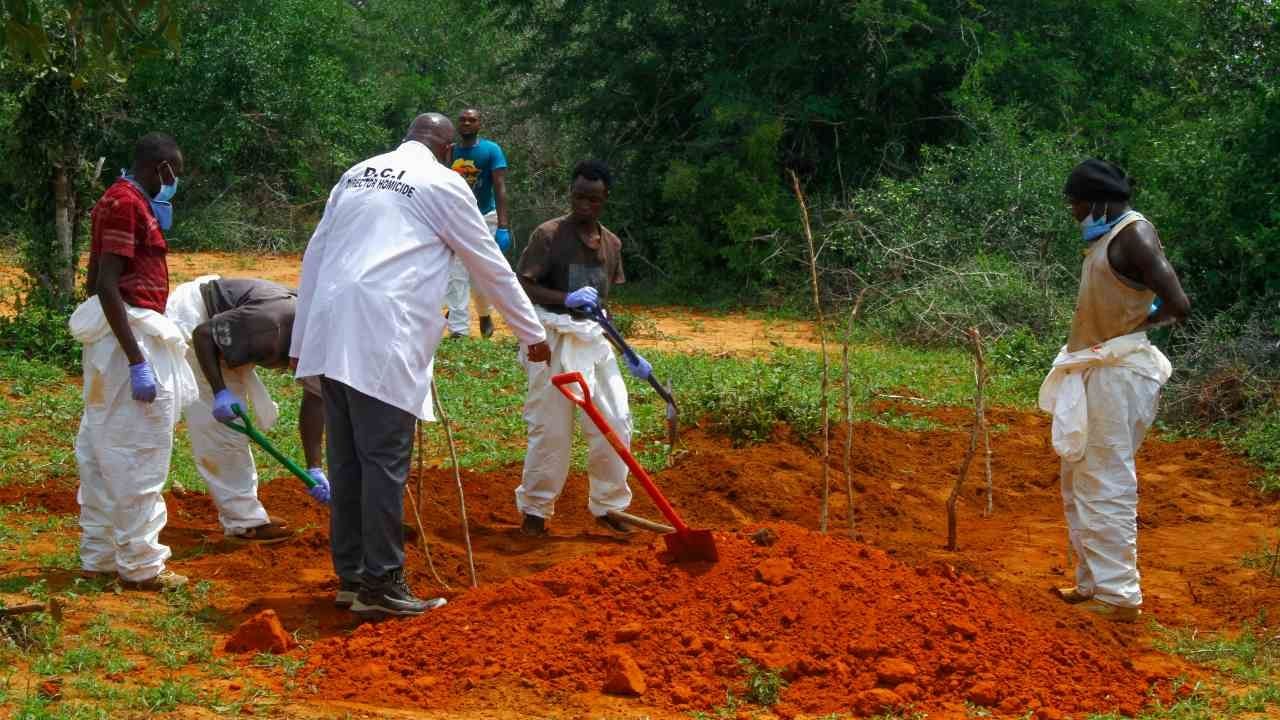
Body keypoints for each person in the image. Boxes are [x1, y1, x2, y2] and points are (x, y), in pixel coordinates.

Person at [292, 113, 551, 618]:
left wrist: (302, 342)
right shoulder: (442, 182)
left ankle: (351, 578)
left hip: (330, 326)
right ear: (446, 146)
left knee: (348, 464)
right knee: (385, 464)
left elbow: (315, 256)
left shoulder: (356, 173)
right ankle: (383, 584)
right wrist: (532, 333)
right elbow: (487, 262)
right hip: (381, 333)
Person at [1039, 159, 1190, 622]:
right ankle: (1093, 583)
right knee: (1080, 479)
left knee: (1105, 482)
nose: (1074, 212)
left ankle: (1119, 597)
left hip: (1118, 372)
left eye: (1078, 204)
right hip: (1101, 370)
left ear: (1099, 201)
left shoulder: (1134, 236)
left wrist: (1129, 331)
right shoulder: (1107, 239)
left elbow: (1179, 304)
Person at [71, 132, 196, 591]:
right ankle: (142, 566)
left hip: (117, 335)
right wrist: (136, 359)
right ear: (161, 167)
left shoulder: (116, 200)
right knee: (139, 450)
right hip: (130, 336)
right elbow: (106, 284)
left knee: (102, 447)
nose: (174, 182)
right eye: (174, 173)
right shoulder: (126, 203)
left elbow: (94, 278)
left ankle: (100, 556)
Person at [513, 160, 652, 537]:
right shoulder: (549, 235)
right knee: (551, 427)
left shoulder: (611, 243)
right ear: (570, 194)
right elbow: (523, 286)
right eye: (578, 196)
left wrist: (627, 351)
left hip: (593, 339)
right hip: (553, 336)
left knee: (616, 419)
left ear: (605, 199)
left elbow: (603, 307)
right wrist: (565, 298)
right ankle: (536, 511)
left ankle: (610, 506)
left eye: (593, 198)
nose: (584, 204)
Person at [165, 275, 331, 543]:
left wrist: (314, 468)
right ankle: (244, 523)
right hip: (197, 321)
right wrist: (220, 391)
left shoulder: (319, 340)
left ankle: (243, 514)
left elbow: (315, 399)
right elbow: (204, 335)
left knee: (231, 429)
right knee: (222, 433)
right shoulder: (271, 326)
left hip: (235, 327)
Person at [444, 107, 511, 339]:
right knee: (456, 274)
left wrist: (503, 226)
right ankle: (458, 330)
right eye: (462, 120)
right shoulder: (449, 152)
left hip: (484, 217)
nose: (466, 123)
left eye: (471, 120)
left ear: (479, 124)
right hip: (455, 218)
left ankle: (484, 314)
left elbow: (500, 187)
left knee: (480, 274)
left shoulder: (491, 150)